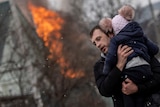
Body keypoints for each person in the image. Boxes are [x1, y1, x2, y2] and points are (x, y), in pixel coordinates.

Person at [98, 5, 159, 107]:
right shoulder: (100, 64)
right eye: (108, 33)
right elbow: (105, 90)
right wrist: (119, 66)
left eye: (99, 39)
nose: (98, 44)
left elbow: (158, 77)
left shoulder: (144, 51)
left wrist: (138, 88)